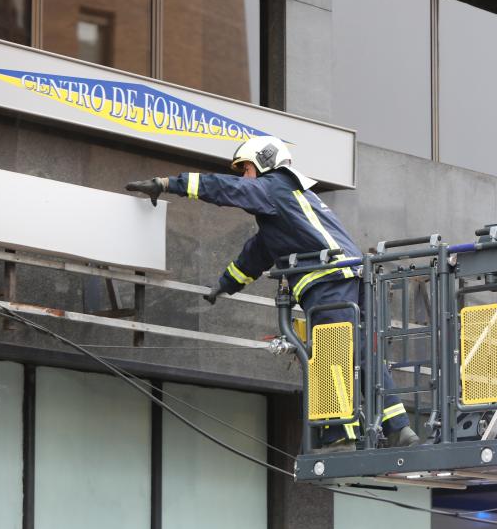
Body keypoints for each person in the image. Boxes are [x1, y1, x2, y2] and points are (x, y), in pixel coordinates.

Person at [125, 135, 419, 451]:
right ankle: (400, 428)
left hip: (327, 281)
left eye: (247, 169)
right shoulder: (288, 203)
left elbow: (225, 189)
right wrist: (225, 284)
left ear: (265, 164)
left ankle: (339, 436)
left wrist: (169, 184)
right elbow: (258, 252)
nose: (244, 178)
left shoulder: (273, 187)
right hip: (352, 277)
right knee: (361, 353)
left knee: (331, 356)